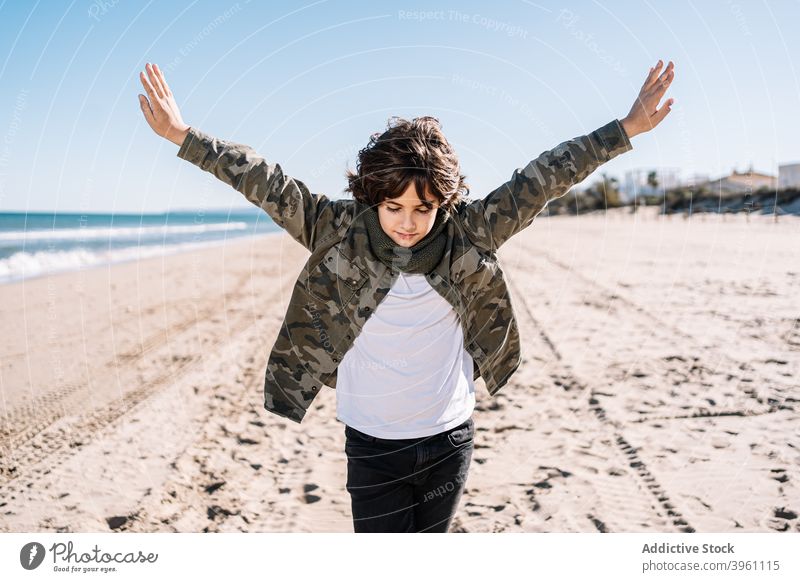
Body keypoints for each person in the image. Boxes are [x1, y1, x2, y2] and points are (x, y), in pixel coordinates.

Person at [138, 59, 675, 533]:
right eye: (394, 207)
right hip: (371, 445)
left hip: (448, 440)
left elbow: (544, 177)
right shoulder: (333, 229)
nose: (408, 223)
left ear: (445, 201)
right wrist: (182, 136)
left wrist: (625, 128)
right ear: (373, 197)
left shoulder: (472, 231)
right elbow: (264, 180)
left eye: (424, 208)